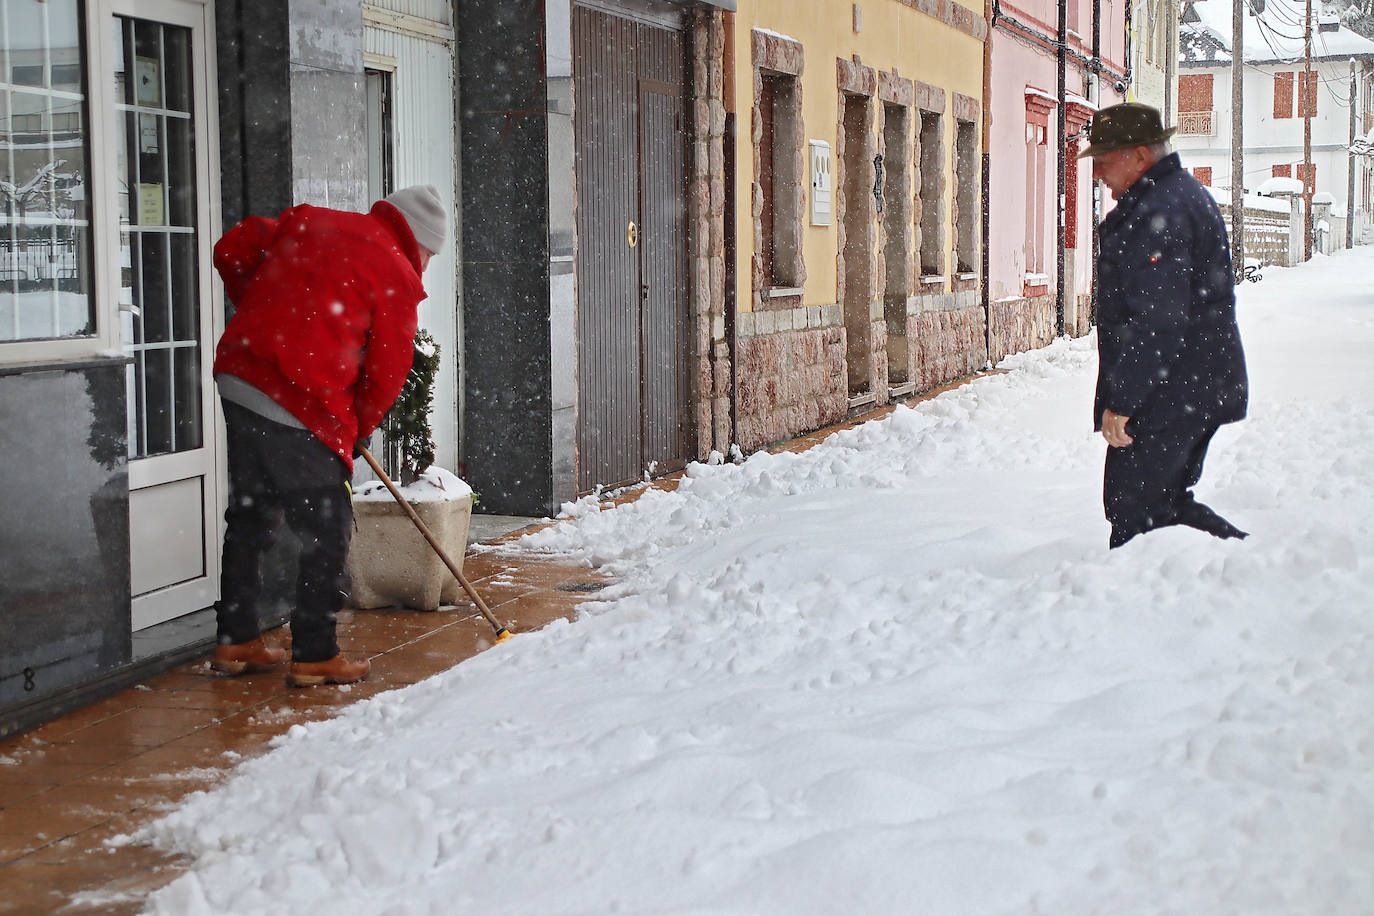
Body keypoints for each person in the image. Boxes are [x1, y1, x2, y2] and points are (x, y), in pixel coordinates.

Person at [207, 185, 447, 685]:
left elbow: (231, 248)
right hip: (301, 396)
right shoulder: (396, 273)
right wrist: (355, 427)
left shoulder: (311, 220)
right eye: (429, 254)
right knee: (326, 529)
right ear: (417, 241)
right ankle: (315, 653)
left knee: (251, 514)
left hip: (240, 375)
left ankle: (237, 639)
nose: (425, 265)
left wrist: (259, 312)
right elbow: (386, 373)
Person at [1079, 103, 1249, 549]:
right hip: (1188, 387)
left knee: (1135, 511)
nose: (1097, 171)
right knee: (1160, 506)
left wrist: (1125, 402)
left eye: (1104, 159)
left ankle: (1249, 570)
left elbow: (1158, 321)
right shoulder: (1171, 198)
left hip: (1173, 390)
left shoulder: (1162, 211)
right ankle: (1250, 567)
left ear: (1138, 155)